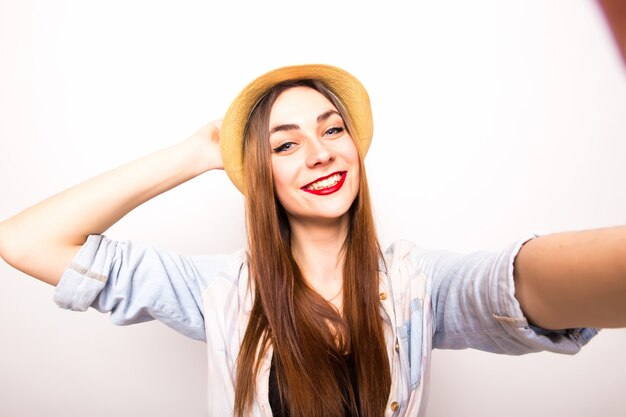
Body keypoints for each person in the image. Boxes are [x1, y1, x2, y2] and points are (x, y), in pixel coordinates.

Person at [0, 64, 624, 417]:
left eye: (332, 129)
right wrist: (194, 154)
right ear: (259, 174)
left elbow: (514, 285)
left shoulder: (416, 284)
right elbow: (27, 240)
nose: (321, 154)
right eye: (286, 144)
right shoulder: (220, 295)